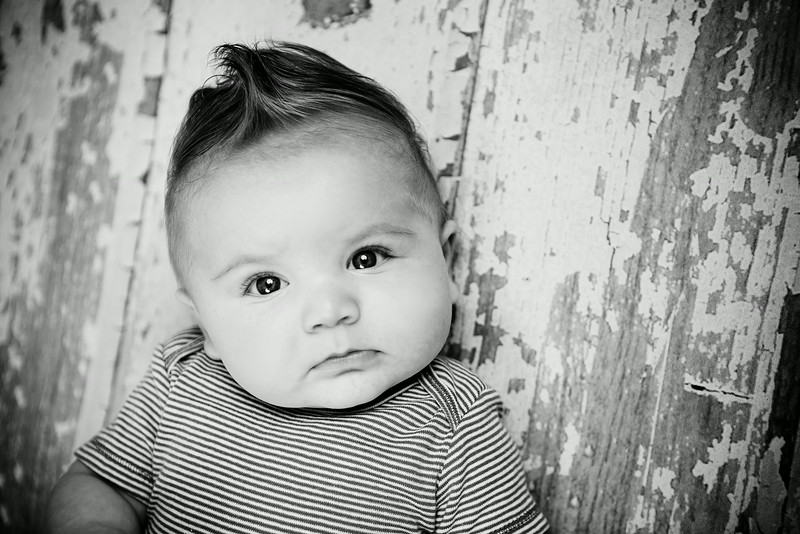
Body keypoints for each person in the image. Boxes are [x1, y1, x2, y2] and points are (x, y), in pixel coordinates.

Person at [46, 41, 549, 534]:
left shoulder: (455, 426)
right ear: (207, 325)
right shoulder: (181, 383)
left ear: (447, 262)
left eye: (367, 257)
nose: (330, 311)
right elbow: (101, 483)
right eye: (266, 284)